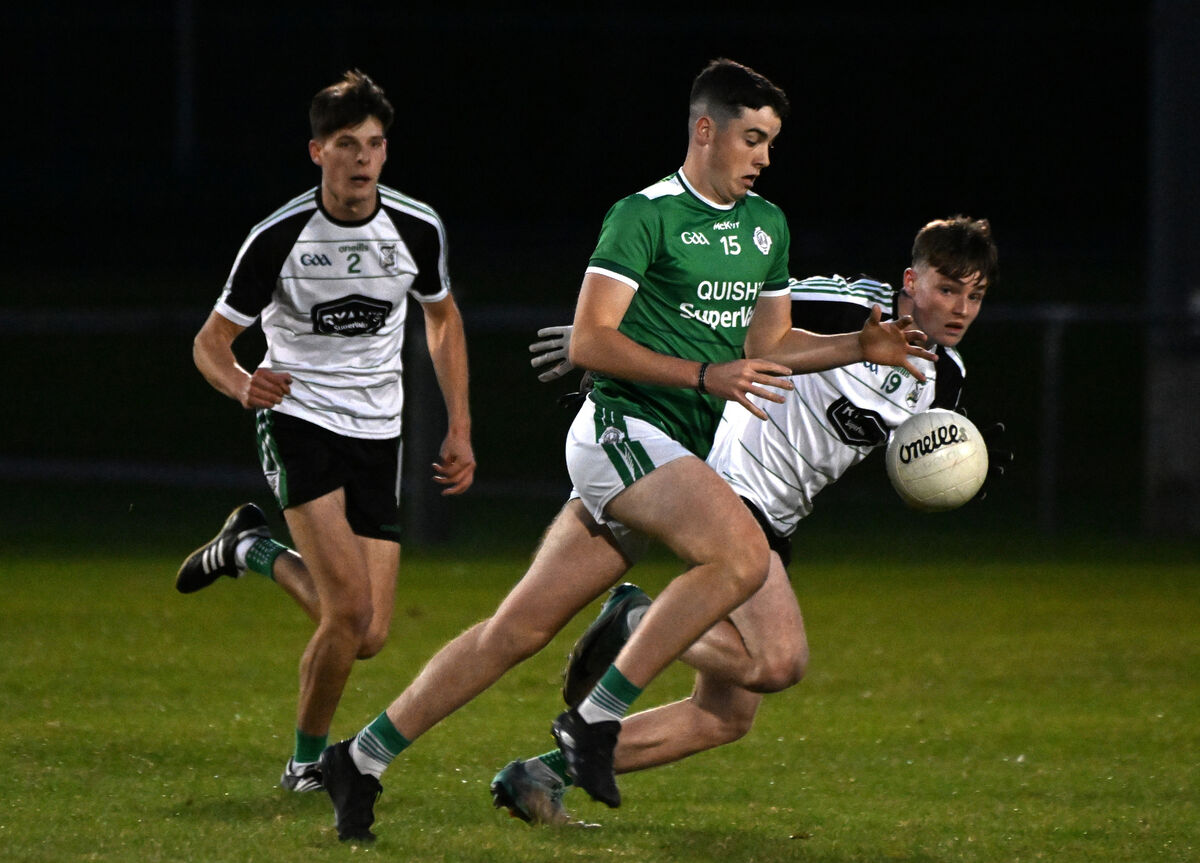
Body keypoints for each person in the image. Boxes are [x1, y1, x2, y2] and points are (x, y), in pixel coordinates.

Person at [318, 57, 932, 842]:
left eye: (771, 142)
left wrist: (857, 342)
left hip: (673, 451)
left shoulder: (766, 227)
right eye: (752, 138)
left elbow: (770, 342)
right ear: (704, 130)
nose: (763, 157)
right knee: (741, 556)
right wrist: (705, 374)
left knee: (515, 631)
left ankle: (360, 758)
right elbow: (589, 340)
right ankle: (594, 723)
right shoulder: (643, 217)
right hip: (620, 433)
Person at [493, 214, 1002, 825]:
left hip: (778, 518)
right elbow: (728, 315)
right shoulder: (844, 305)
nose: (960, 307)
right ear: (909, 280)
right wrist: (607, 340)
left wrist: (952, 475)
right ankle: (639, 621)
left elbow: (913, 456)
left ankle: (538, 776)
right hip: (727, 489)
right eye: (947, 288)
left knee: (723, 718)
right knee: (779, 662)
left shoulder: (946, 378)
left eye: (975, 295)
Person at [174, 69, 475, 794]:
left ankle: (249, 547)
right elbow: (210, 342)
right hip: (298, 421)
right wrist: (245, 383)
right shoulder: (278, 236)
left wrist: (459, 422)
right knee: (348, 610)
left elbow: (442, 317)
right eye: (348, 144)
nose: (364, 158)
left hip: (380, 432)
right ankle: (306, 763)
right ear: (318, 153)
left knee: (368, 635)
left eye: (374, 144)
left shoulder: (414, 225)